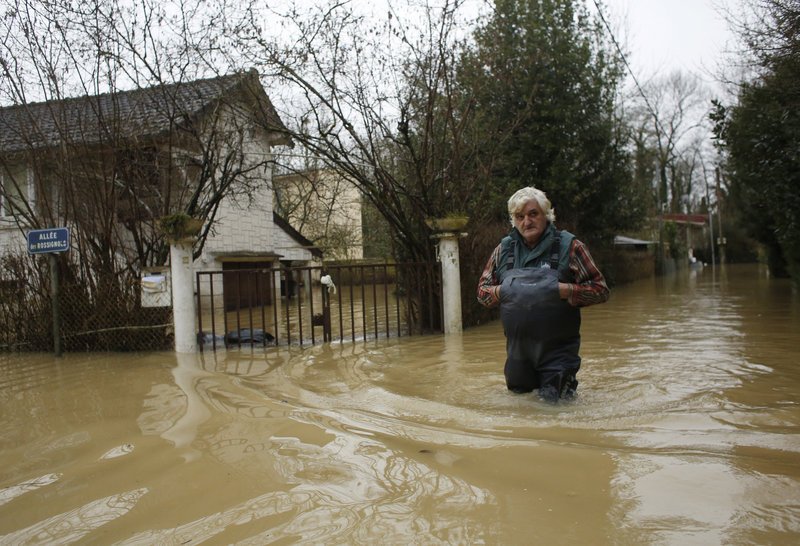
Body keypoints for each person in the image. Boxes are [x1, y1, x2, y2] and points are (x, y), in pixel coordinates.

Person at [477, 186, 609, 402]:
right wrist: (502, 291)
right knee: (520, 414)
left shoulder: (571, 246)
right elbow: (482, 293)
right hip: (518, 356)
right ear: (514, 220)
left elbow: (600, 289)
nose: (526, 222)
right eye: (519, 217)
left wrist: (566, 290)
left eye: (533, 214)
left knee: (553, 412)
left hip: (559, 356)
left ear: (546, 215)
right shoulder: (503, 250)